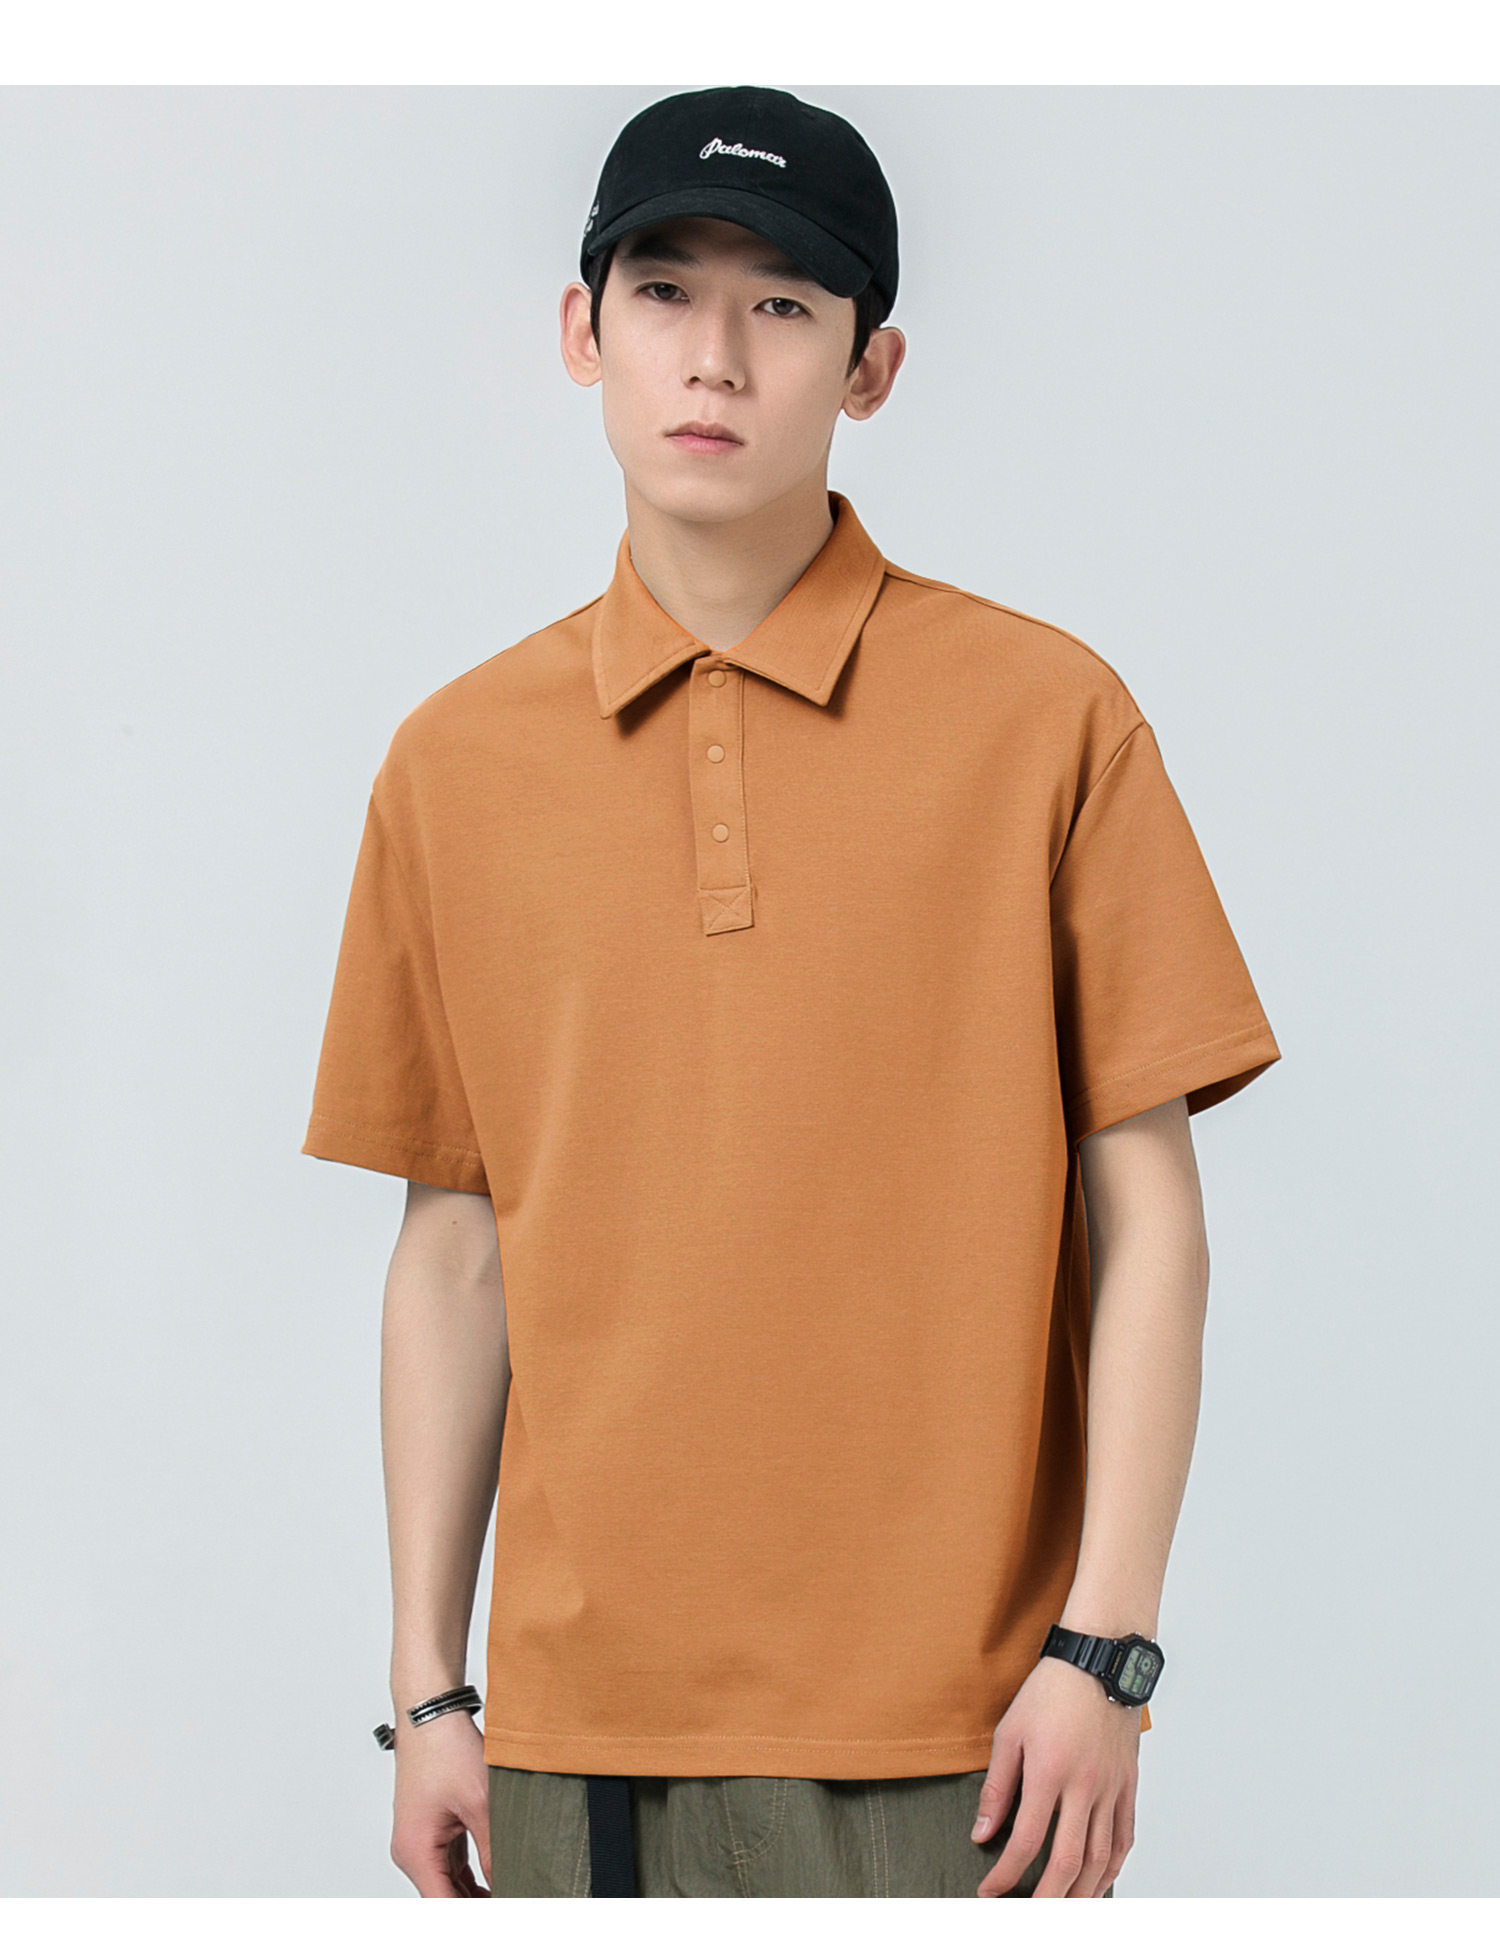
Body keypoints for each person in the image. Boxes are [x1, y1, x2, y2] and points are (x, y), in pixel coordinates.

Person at [301, 84, 1281, 1899]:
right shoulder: (453, 763)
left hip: (965, 1734)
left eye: (783, 305)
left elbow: (1149, 1215)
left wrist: (1109, 1651)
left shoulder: (1046, 719)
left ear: (870, 367)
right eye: (666, 292)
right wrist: (427, 1683)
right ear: (584, 332)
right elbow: (455, 1244)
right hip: (574, 1737)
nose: (717, 359)